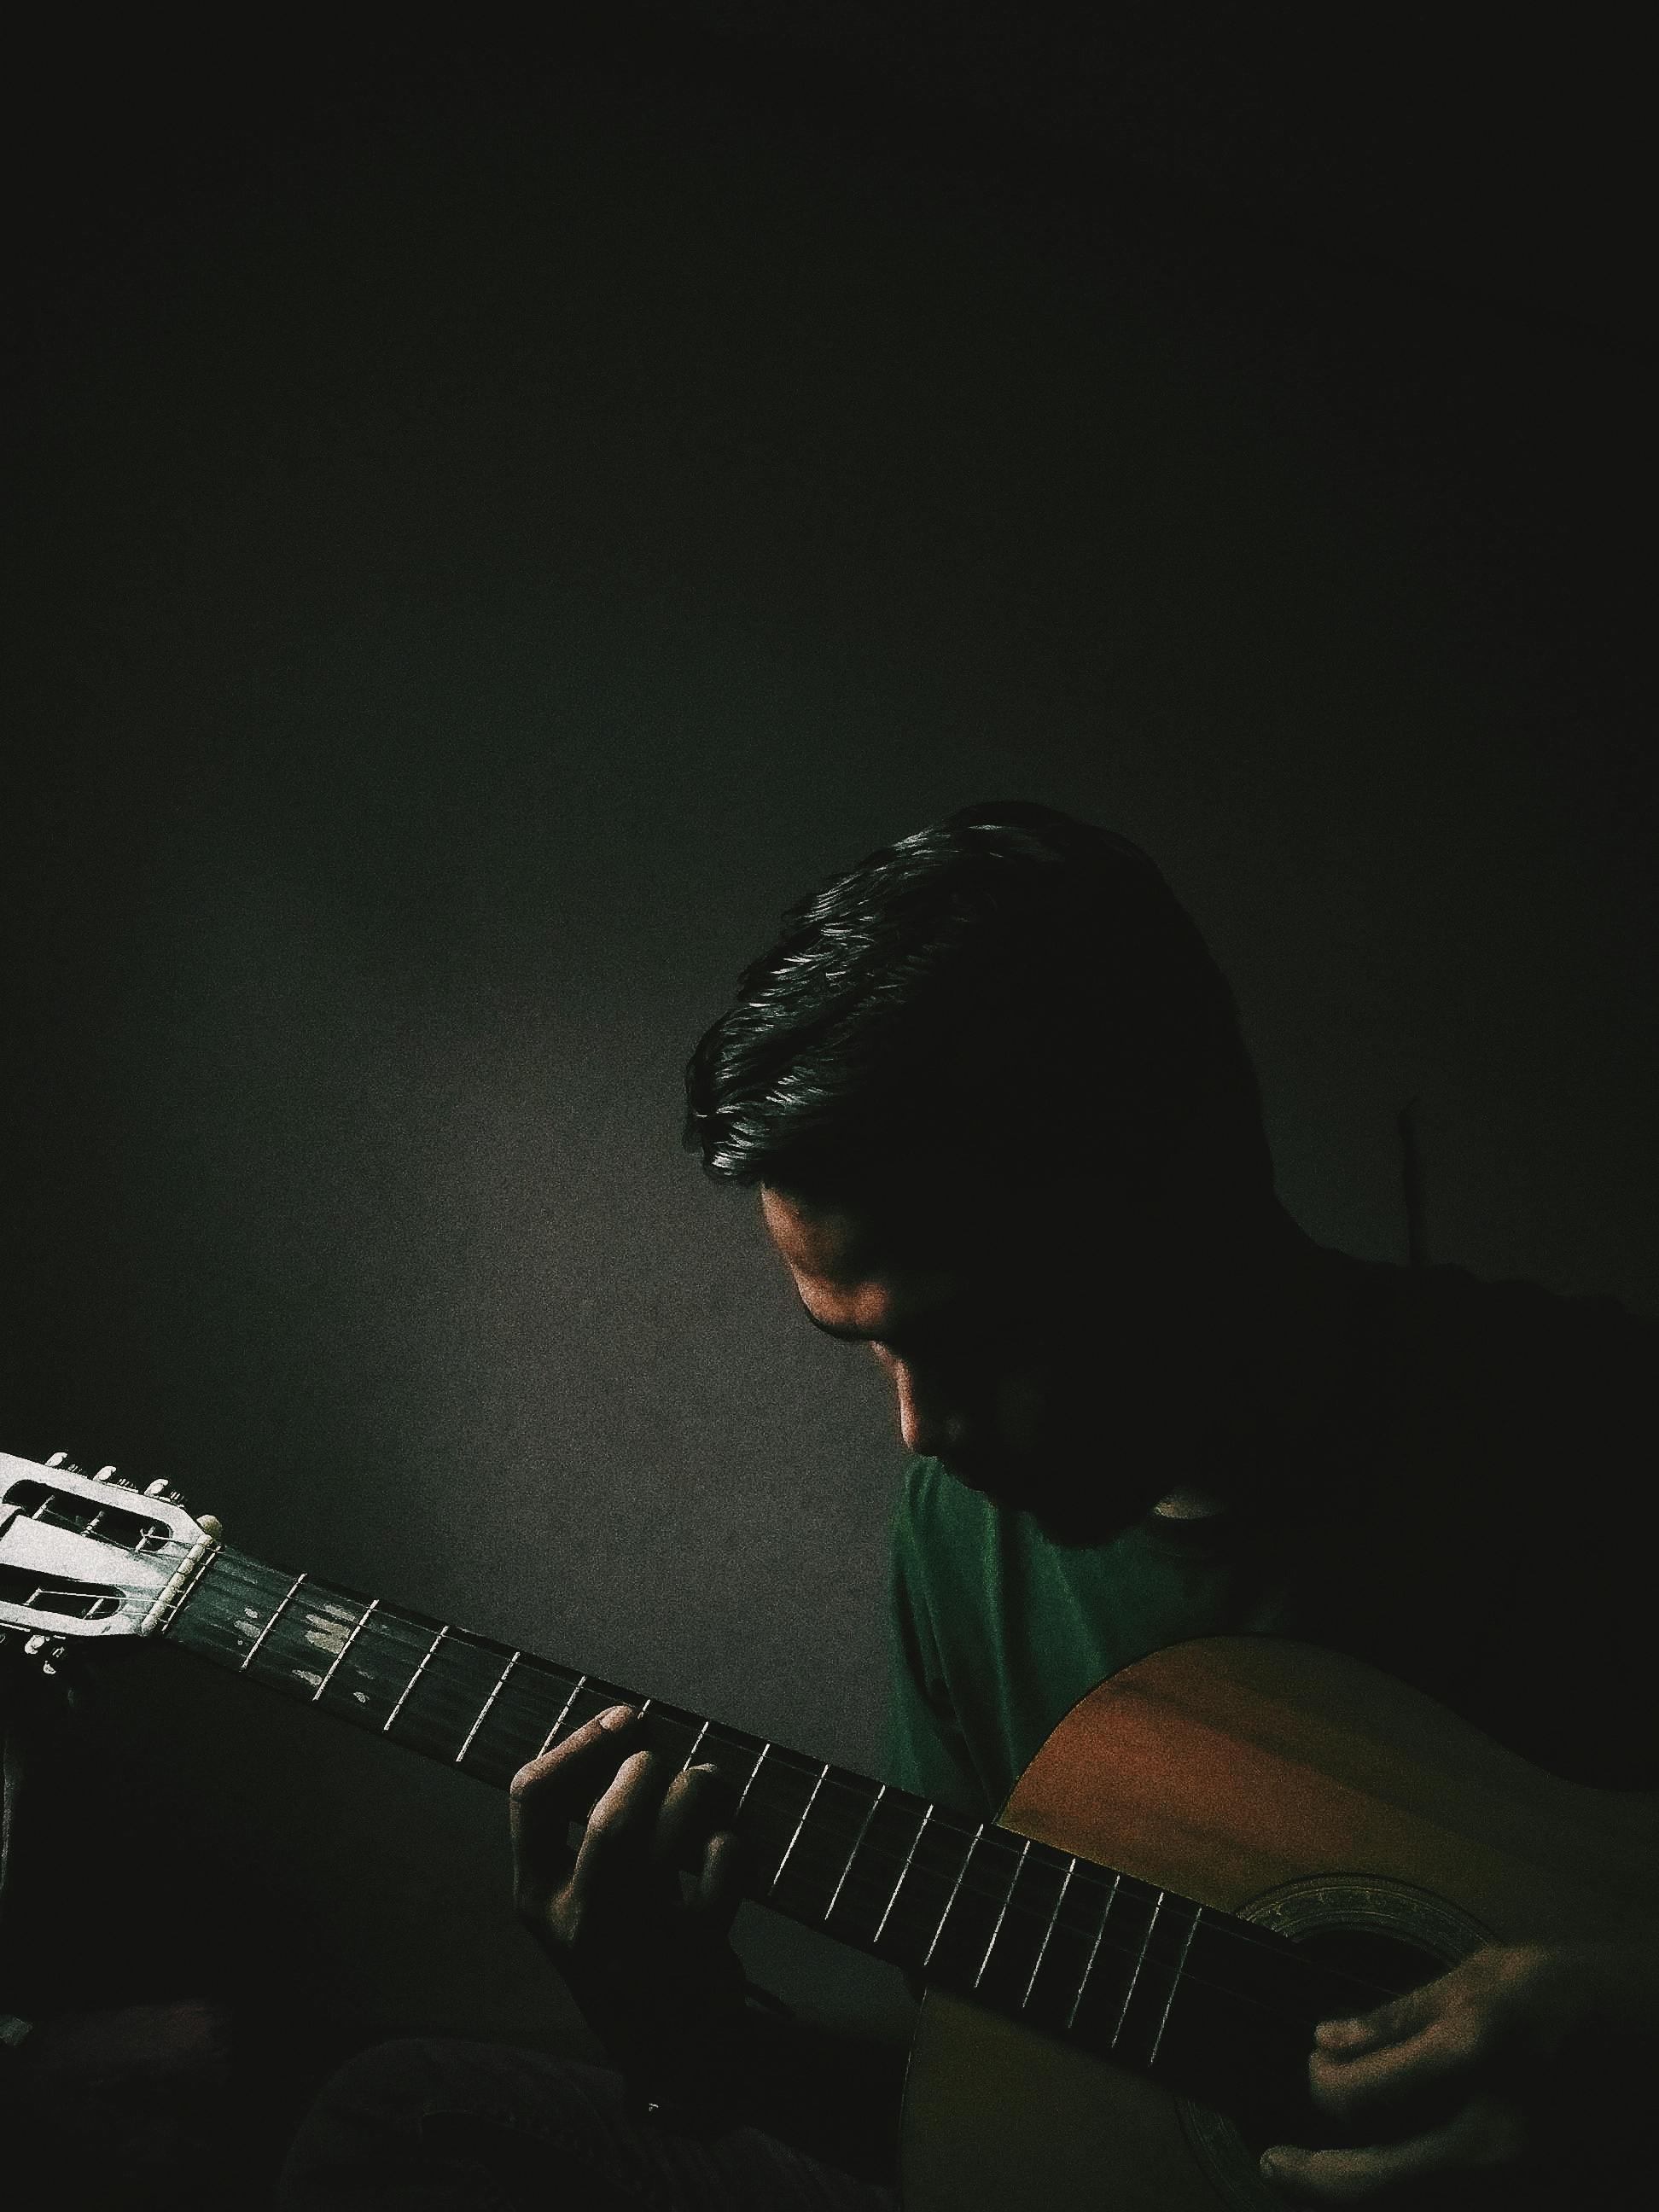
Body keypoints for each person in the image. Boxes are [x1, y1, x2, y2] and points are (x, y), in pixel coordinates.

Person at [281, 800, 1659, 2207]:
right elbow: (1000, 2124)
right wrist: (695, 2041)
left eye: (976, 1334)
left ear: (1185, 1183)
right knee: (404, 2112)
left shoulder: (1598, 1435)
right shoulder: (963, 1530)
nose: (920, 1435)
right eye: (867, 1345)